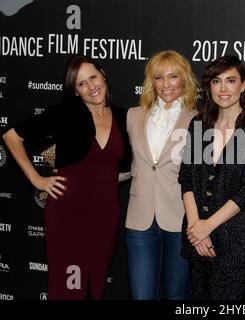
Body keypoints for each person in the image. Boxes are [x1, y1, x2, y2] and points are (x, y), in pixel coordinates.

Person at [2, 55, 132, 299]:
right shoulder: (65, 113)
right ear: (75, 90)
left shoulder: (124, 117)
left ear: (103, 75)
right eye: (81, 83)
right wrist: (36, 179)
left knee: (94, 288)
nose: (91, 86)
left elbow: (125, 168)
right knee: (69, 288)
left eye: (93, 77)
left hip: (105, 215)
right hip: (68, 214)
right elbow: (12, 136)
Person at [178, 55, 245, 299]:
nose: (223, 89)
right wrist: (195, 228)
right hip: (197, 237)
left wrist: (207, 226)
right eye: (216, 82)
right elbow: (186, 177)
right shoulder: (199, 124)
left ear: (243, 85)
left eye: (231, 80)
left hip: (235, 240)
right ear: (209, 87)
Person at [125, 50, 197, 300]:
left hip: (180, 218)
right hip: (139, 218)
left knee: (178, 295)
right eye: (158, 77)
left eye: (173, 76)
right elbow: (123, 161)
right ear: (150, 81)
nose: (165, 84)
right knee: (142, 296)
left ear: (184, 80)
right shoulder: (133, 116)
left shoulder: (198, 120)